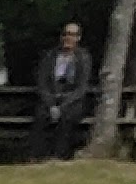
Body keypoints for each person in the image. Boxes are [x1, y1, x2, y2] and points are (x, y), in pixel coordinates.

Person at [31, 21, 93, 161]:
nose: (67, 38)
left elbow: (81, 88)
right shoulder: (50, 56)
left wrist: (62, 106)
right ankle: (37, 156)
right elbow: (42, 83)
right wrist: (51, 104)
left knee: (67, 118)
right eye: (65, 34)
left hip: (72, 99)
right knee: (41, 116)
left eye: (71, 35)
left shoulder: (83, 58)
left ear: (78, 38)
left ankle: (60, 156)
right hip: (51, 96)